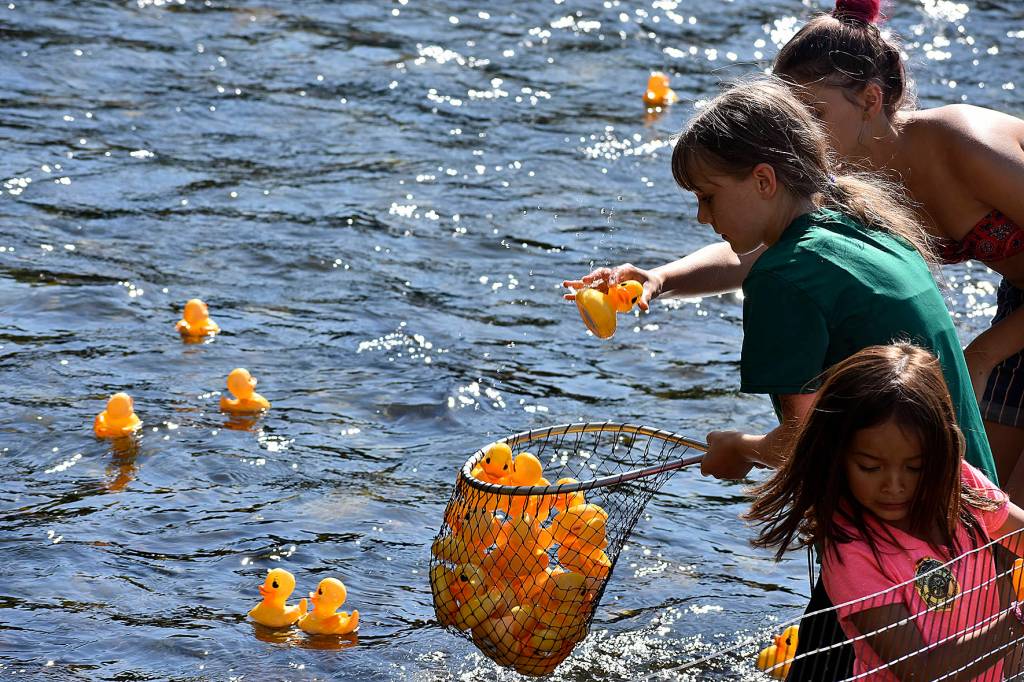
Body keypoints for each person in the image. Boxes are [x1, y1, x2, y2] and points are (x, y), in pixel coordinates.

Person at [562, 76, 998, 678]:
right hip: (973, 502)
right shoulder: (853, 219)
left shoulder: (782, 283)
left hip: (893, 524)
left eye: (708, 197)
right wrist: (660, 280)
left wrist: (738, 450)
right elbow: (754, 253)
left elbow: (802, 442)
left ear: (764, 180)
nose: (700, 214)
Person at [773, 0, 1024, 494]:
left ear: (869, 99)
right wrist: (660, 280)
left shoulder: (963, 143)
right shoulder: (849, 181)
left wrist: (982, 354)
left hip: (1010, 332)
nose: (797, 136)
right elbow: (768, 250)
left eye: (813, 114)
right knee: (988, 516)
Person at [746, 343, 1024, 680]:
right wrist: (1016, 622)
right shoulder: (854, 553)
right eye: (870, 467)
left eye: (915, 467)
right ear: (839, 458)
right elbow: (922, 671)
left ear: (942, 454)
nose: (894, 486)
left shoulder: (958, 484)